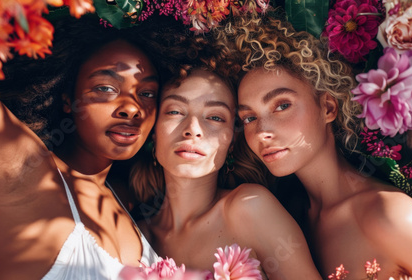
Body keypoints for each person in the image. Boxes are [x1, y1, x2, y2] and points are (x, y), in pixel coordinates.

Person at [212, 11, 412, 280]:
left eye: (282, 105)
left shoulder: (388, 214)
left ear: (328, 107)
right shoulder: (290, 219)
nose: (262, 132)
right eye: (249, 118)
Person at [0, 15, 159, 279]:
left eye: (147, 93)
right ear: (68, 99)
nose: (133, 108)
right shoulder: (28, 173)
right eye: (106, 87)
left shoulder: (128, 198)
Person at [129, 30, 322, 279]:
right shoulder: (136, 235)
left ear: (232, 142)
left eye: (215, 117)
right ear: (154, 131)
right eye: (175, 112)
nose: (193, 130)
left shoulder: (250, 208)